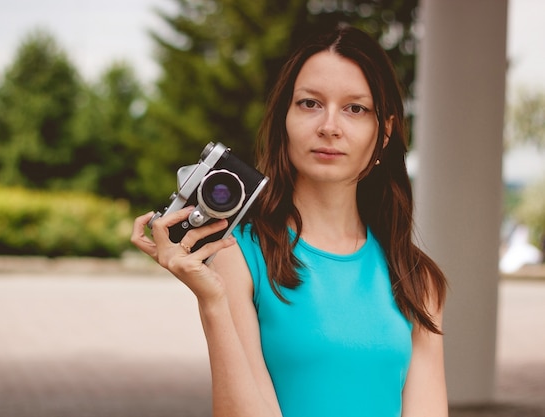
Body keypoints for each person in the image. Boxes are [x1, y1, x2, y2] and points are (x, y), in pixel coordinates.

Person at [132, 24, 448, 417]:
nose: (329, 126)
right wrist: (212, 304)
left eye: (355, 108)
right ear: (285, 117)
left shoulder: (418, 279)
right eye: (310, 103)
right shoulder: (239, 255)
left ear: (383, 133)